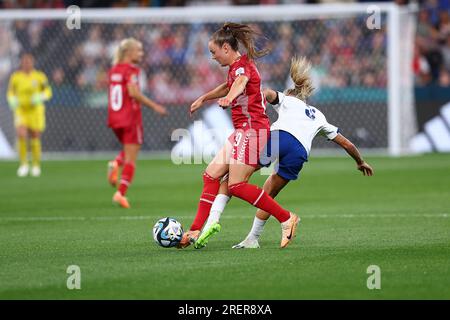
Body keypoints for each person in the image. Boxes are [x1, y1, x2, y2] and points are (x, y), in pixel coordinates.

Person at [194, 56, 374, 249]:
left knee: (233, 177)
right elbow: (346, 144)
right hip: (298, 152)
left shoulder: (287, 100)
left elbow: (269, 93)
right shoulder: (319, 116)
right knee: (269, 191)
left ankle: (216, 221)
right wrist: (360, 161)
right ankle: (253, 237)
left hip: (280, 139)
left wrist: (257, 98)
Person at [180, 22, 299, 249]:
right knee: (211, 175)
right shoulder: (236, 67)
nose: (212, 57)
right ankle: (195, 229)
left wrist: (230, 98)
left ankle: (286, 218)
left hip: (253, 130)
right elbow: (228, 86)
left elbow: (239, 84)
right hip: (242, 131)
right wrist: (204, 98)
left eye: (213, 52)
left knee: (236, 185)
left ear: (226, 48)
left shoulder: (243, 68)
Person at [107, 38, 167, 209]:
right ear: (128, 53)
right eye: (138, 50)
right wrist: (155, 106)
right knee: (132, 159)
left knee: (127, 150)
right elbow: (133, 92)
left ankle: (116, 163)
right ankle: (120, 194)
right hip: (130, 118)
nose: (141, 54)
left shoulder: (113, 70)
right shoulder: (131, 70)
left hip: (114, 117)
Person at [7, 53, 52, 177]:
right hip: (21, 109)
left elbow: (48, 91)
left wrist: (40, 96)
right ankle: (23, 164)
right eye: (24, 61)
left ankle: (36, 165)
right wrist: (12, 100)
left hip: (35, 110)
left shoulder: (39, 77)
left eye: (29, 61)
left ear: (33, 62)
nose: (27, 64)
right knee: (21, 133)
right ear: (21, 63)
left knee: (35, 135)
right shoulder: (15, 77)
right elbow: (10, 92)